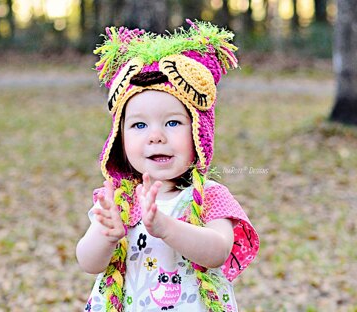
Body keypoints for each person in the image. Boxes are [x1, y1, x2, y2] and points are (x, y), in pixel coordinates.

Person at [76, 20, 259, 312]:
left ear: (198, 133)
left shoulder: (210, 196)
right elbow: (87, 262)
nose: (156, 136)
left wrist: (166, 227)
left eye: (172, 122)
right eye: (138, 125)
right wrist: (105, 235)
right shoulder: (117, 200)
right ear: (119, 138)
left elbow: (217, 251)